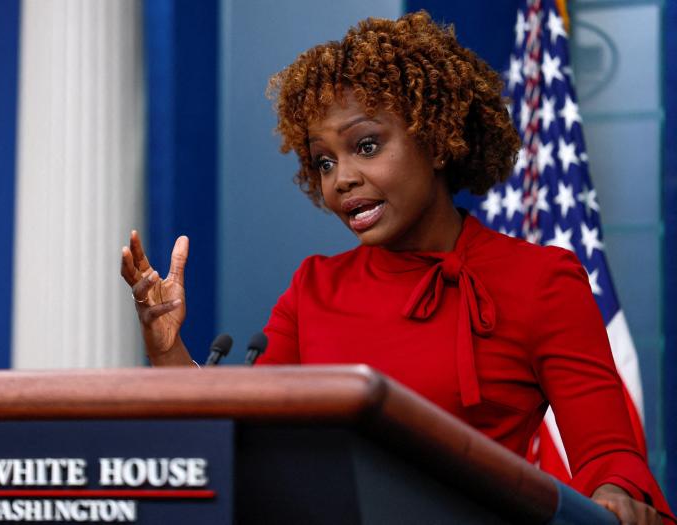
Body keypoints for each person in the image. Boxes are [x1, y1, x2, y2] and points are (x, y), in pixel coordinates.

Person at [120, 11, 674, 524]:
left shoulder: (540, 281)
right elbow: (245, 439)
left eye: (366, 145)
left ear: (435, 140)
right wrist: (168, 349)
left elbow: (609, 454)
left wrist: (616, 497)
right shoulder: (315, 287)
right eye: (324, 162)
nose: (340, 180)